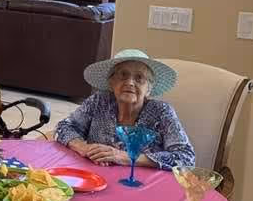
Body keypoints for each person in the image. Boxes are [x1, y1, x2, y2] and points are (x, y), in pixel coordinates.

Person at [54, 49, 196, 169]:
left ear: (149, 89)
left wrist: (125, 157)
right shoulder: (99, 101)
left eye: (139, 78)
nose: (129, 82)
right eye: (123, 75)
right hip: (96, 179)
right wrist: (83, 148)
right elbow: (64, 127)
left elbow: (186, 158)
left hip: (143, 188)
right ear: (111, 82)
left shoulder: (162, 111)